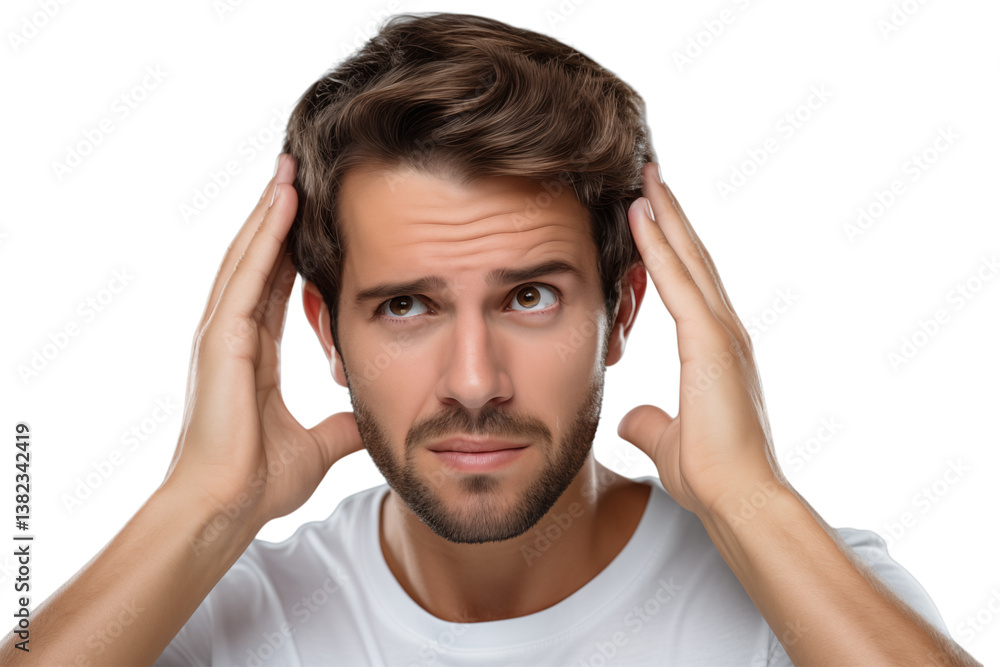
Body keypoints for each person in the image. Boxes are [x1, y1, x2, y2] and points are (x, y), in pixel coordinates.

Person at [1, 12, 981, 667]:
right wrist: (201, 507)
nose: (474, 381)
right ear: (325, 336)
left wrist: (753, 504)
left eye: (527, 297)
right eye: (405, 307)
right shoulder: (206, 622)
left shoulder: (810, 597)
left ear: (624, 312)